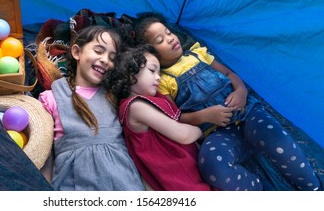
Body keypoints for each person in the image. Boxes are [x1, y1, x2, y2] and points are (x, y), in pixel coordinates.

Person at [133, 12, 321, 191]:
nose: (171, 38)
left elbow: (229, 74)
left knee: (278, 139)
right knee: (212, 166)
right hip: (220, 132)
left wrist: (241, 91)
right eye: (160, 40)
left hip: (248, 115)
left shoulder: (197, 54)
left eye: (169, 32)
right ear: (151, 53)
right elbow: (177, 117)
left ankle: (313, 188)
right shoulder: (163, 81)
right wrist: (206, 116)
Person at [38, 25, 145, 191]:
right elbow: (45, 156)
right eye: (98, 51)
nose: (105, 60)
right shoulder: (51, 97)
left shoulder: (115, 95)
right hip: (74, 184)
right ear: (77, 52)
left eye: (112, 57)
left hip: (124, 182)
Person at [104, 44, 214, 191]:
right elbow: (183, 135)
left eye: (159, 73)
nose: (158, 78)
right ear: (131, 75)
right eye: (152, 70)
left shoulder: (149, 100)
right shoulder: (136, 107)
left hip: (188, 166)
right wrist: (199, 131)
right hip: (179, 176)